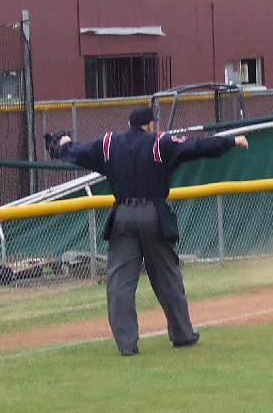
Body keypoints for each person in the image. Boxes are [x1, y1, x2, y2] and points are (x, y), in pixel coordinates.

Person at [52, 105, 249, 356]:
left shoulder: (110, 143)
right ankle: (182, 334)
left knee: (120, 284)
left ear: (129, 123)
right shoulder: (160, 143)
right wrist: (231, 141)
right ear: (149, 125)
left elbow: (78, 152)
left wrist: (65, 145)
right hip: (152, 214)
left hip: (122, 215)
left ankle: (126, 344)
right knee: (168, 277)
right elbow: (197, 147)